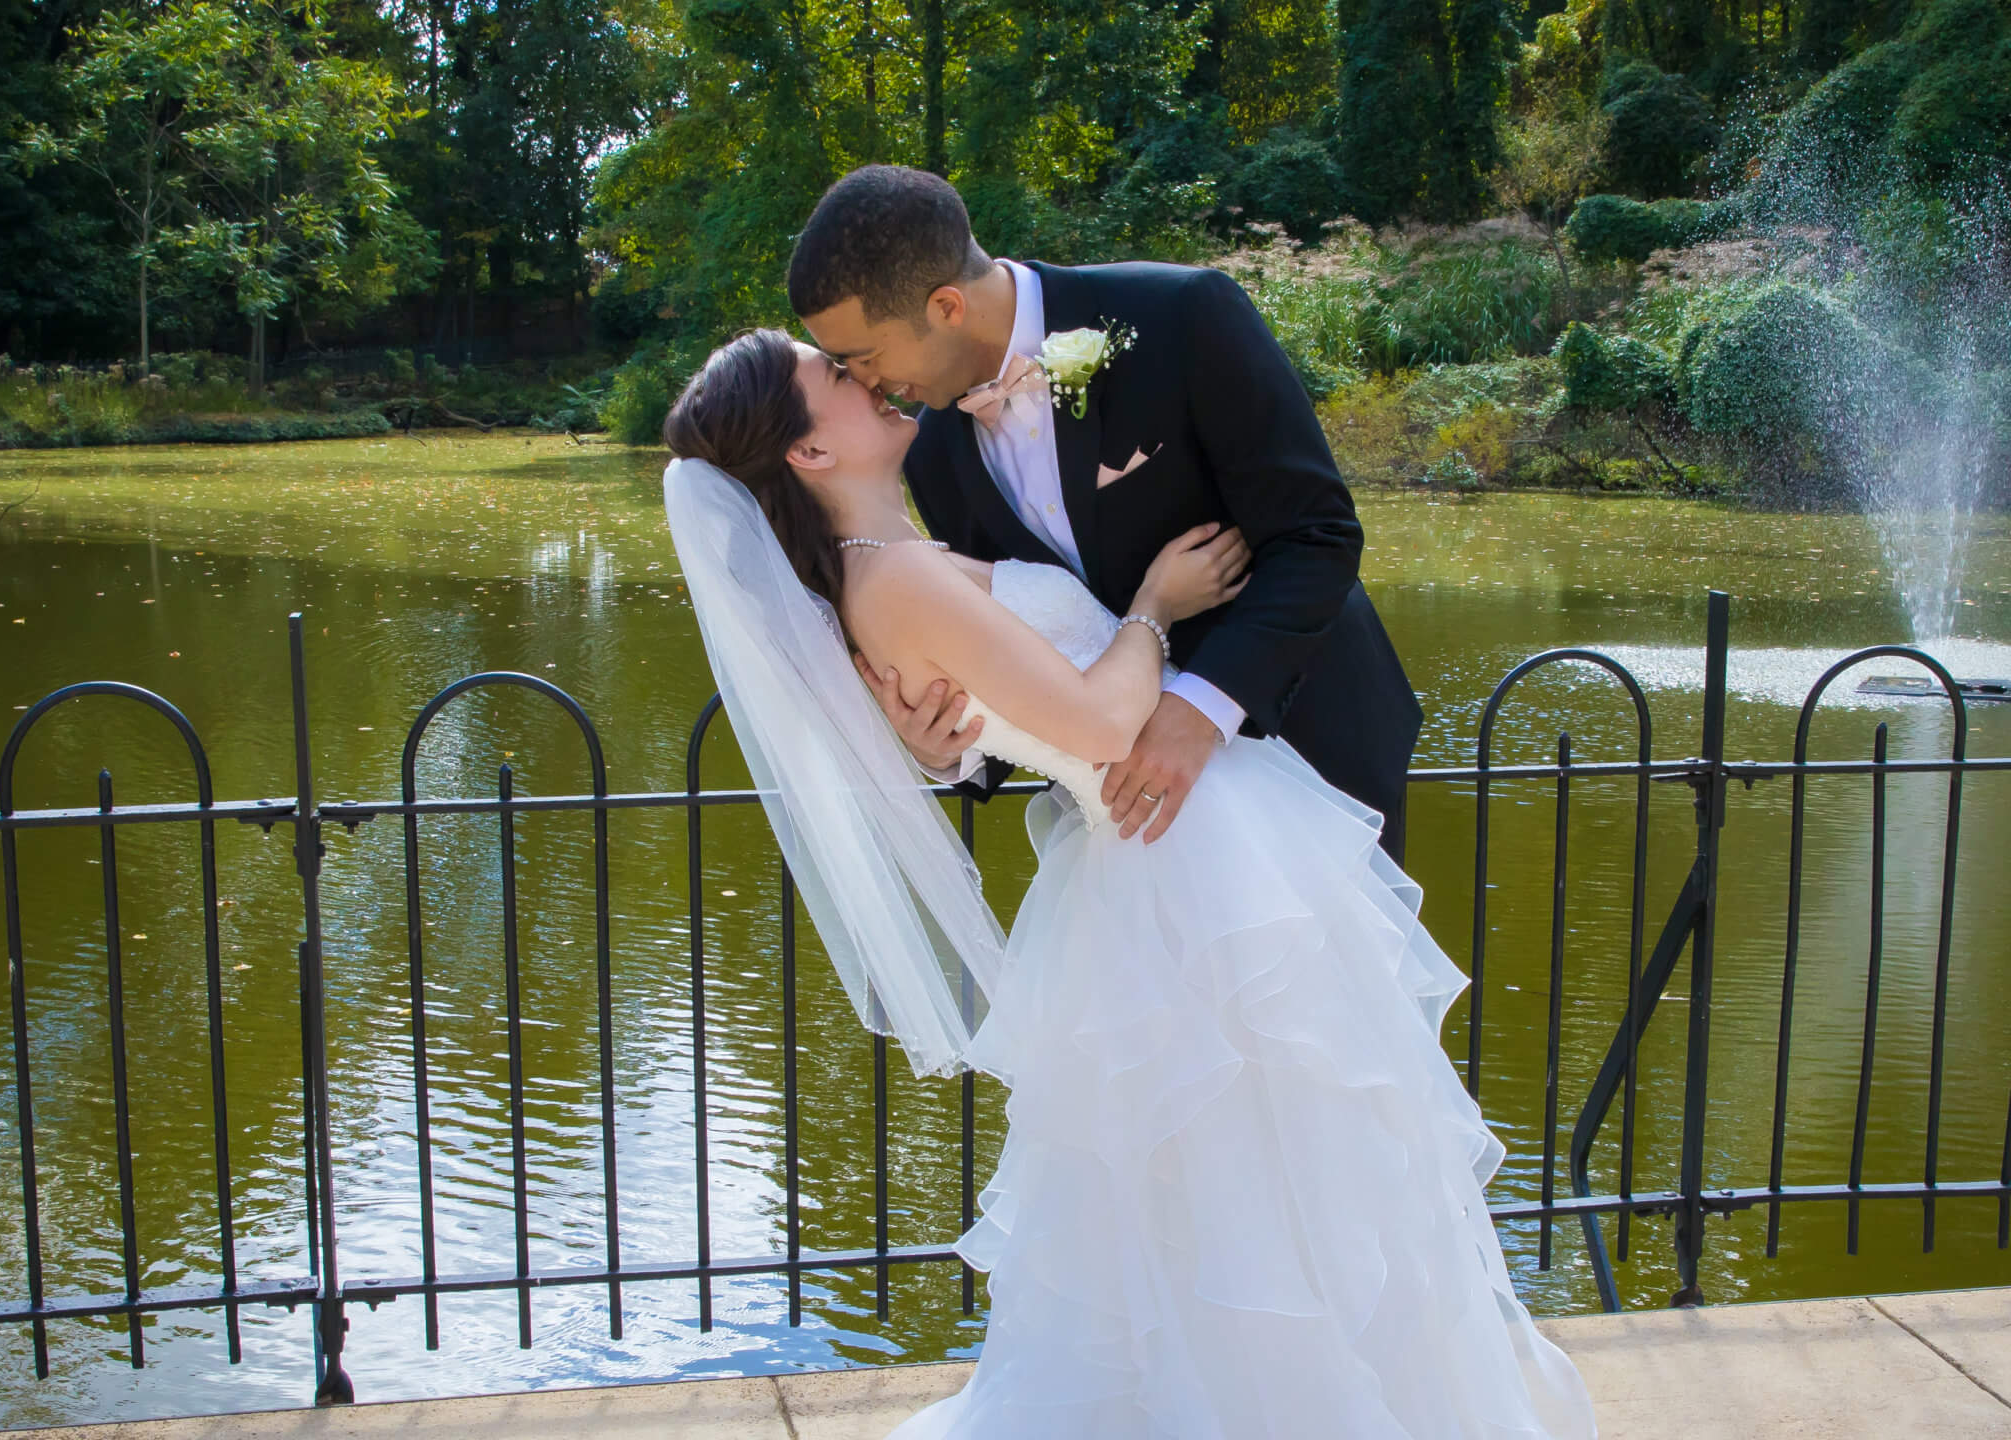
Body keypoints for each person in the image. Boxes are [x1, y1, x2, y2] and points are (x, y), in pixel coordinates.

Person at [661, 328, 1595, 1438]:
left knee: (1239, 1188)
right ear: (809, 455)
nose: (863, 377)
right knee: (1279, 1179)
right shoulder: (896, 576)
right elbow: (1105, 722)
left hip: (1165, 860)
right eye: (833, 378)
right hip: (1187, 864)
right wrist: (1156, 602)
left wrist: (942, 749)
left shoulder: (891, 566)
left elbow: (990, 711)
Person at [787, 165, 1423, 862]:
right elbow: (1012, 662)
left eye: (866, 356)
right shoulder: (932, 450)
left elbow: (1317, 535)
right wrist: (944, 749)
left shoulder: (1180, 315)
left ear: (945, 306)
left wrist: (1199, 709)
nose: (865, 383)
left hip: (1311, 754)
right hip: (1136, 831)